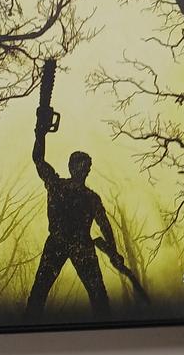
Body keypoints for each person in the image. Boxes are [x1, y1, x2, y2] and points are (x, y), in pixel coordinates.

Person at [26, 117, 118, 316]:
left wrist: (113, 250)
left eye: (86, 167)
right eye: (83, 166)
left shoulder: (84, 195)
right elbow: (38, 160)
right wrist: (40, 134)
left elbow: (105, 225)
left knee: (98, 297)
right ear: (73, 167)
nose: (85, 170)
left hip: (77, 245)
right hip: (62, 243)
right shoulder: (58, 186)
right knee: (39, 294)